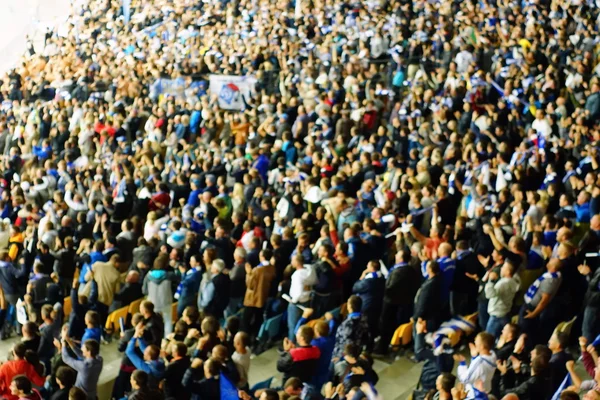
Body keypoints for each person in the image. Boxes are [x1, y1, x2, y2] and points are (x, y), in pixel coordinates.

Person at [242, 249, 276, 338]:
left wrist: (248, 273)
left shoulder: (257, 270)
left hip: (253, 298)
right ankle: (255, 335)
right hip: (263, 297)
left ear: (262, 257)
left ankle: (246, 337)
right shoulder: (271, 268)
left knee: (246, 319)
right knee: (258, 318)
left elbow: (250, 285)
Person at [484, 260, 520, 338]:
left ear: (508, 271)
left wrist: (491, 280)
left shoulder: (503, 283)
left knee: (488, 338)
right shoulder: (514, 281)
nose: (501, 269)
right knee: (501, 336)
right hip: (505, 312)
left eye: (503, 267)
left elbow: (489, 294)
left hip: (496, 315)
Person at [286, 254, 317, 340]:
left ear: (297, 262)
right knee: (302, 324)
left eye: (293, 260)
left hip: (296, 303)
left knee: (293, 325)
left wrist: (294, 300)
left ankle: (291, 346)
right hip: (306, 300)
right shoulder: (310, 271)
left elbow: (298, 292)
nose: (291, 262)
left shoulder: (297, 275)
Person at [332, 295, 370, 361]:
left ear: (349, 306)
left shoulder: (348, 324)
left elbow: (343, 341)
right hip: (358, 352)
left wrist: (337, 356)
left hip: (346, 356)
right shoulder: (364, 319)